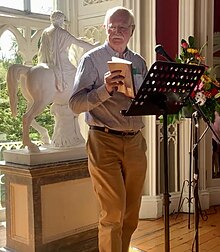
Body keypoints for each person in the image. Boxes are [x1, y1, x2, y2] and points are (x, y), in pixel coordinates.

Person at [69, 6, 147, 252]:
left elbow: (144, 99)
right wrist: (104, 90)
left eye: (122, 27)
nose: (116, 31)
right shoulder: (91, 60)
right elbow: (75, 104)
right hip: (103, 140)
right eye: (111, 26)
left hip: (135, 141)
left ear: (131, 31)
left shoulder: (139, 62)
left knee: (131, 213)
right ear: (105, 28)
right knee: (113, 213)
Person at [38, 10, 97, 147]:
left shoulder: (46, 32)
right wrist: (94, 47)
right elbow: (78, 43)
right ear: (60, 20)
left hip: (49, 66)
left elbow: (42, 51)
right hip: (63, 67)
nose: (62, 23)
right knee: (81, 78)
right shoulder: (62, 33)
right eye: (62, 20)